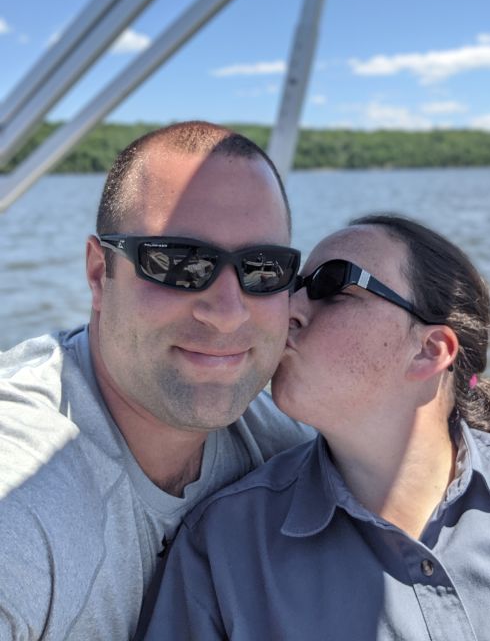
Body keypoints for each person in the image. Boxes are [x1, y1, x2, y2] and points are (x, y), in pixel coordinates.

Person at [140, 213, 490, 641]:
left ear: (429, 350)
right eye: (291, 288)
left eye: (332, 286)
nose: (286, 311)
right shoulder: (224, 549)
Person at [0, 121, 313, 640]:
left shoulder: (283, 446)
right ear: (101, 274)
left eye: (263, 270)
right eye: (180, 264)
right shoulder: (25, 493)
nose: (229, 314)